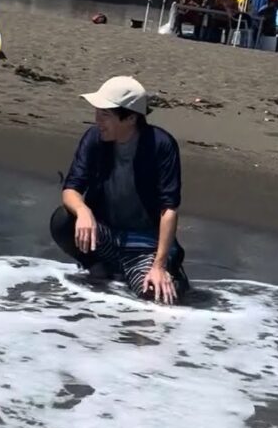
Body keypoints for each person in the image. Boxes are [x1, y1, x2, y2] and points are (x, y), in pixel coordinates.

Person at [50, 77, 187, 305]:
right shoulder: (94, 138)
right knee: (63, 219)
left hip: (145, 245)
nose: (98, 120)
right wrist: (83, 211)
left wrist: (159, 265)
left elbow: (169, 208)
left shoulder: (160, 145)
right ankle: (98, 265)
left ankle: (168, 274)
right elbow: (71, 189)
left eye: (105, 115)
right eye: (97, 112)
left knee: (157, 298)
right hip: (107, 237)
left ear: (131, 117)